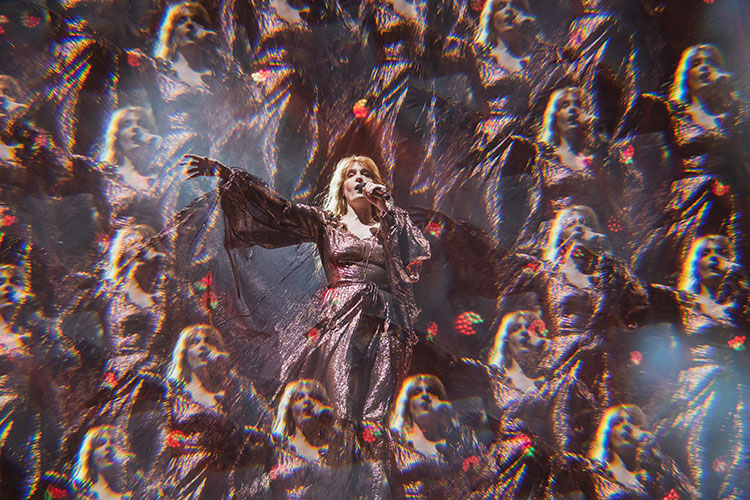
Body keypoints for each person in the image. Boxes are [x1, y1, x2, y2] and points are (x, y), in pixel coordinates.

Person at [182, 154, 430, 427]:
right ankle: (338, 448)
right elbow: (279, 210)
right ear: (342, 188)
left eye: (366, 174)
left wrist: (386, 207)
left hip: (387, 322)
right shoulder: (327, 223)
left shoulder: (391, 227)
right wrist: (230, 176)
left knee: (377, 411)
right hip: (343, 316)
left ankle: (375, 451)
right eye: (351, 174)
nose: (360, 179)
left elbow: (415, 251)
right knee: (342, 403)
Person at [633, 44, 750, 283]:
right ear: (686, 75)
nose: (705, 67)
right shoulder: (671, 112)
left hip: (732, 203)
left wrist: (730, 99)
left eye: (711, 63)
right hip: (689, 201)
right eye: (697, 63)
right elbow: (647, 158)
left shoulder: (735, 116)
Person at [650, 235, 749, 500]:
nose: (715, 258)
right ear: (695, 264)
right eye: (706, 253)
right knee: (695, 459)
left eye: (722, 252)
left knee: (738, 461)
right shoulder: (682, 301)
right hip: (696, 390)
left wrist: (738, 282)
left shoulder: (740, 307)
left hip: (737, 392)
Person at [156, 324, 270, 499]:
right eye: (194, 343)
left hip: (230, 477)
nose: (203, 346)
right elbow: (158, 436)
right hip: (187, 476)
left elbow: (266, 419)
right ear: (184, 353)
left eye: (209, 342)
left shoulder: (237, 387)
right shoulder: (173, 392)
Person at [268, 379, 388, 500]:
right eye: (299, 398)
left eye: (314, 397)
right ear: (288, 408)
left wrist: (332, 416)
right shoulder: (281, 448)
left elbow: (380, 439)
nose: (307, 401)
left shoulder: (344, 439)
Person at [388, 374, 495, 499]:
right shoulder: (399, 442)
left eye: (431, 391)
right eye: (417, 392)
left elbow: (478, 405)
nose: (425, 396)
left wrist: (450, 411)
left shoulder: (459, 439)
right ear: (406, 403)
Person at [585, 404, 696, 500]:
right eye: (618, 422)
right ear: (606, 433)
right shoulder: (599, 472)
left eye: (631, 422)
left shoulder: (658, 470)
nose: (627, 426)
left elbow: (691, 493)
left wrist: (651, 451)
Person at [70, 426, 139, 500]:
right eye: (100, 444)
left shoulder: (132, 492)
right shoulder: (82, 492)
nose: (108, 447)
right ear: (89, 454)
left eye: (113, 442)